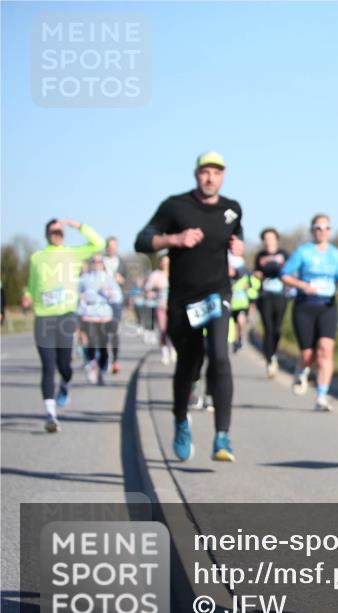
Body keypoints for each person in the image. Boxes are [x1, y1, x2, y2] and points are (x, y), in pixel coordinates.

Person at [134, 150, 243, 463]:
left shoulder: (232, 209)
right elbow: (142, 240)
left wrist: (238, 246)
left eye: (217, 173)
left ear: (223, 176)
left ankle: (222, 437)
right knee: (189, 363)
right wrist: (174, 239)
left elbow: (236, 236)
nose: (211, 178)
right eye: (205, 172)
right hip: (183, 299)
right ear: (197, 175)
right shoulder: (175, 206)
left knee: (220, 355)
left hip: (217, 294)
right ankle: (181, 420)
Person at [22, 218, 106, 432]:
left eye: (60, 232)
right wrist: (27, 296)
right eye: (53, 232)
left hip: (66, 317)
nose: (57, 234)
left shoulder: (72, 253)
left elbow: (99, 243)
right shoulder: (37, 257)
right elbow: (31, 285)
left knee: (64, 367)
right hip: (43, 317)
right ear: (47, 234)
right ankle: (50, 414)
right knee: (48, 366)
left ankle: (65, 384)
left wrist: (77, 225)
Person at [280, 214, 338, 411]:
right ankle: (301, 370)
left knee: (325, 350)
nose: (322, 231)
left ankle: (321, 397)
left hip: (327, 306)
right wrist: (302, 285)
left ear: (330, 231)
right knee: (308, 354)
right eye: (318, 228)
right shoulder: (303, 251)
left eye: (326, 228)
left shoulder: (337, 254)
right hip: (305, 305)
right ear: (312, 231)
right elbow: (284, 275)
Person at [77, 254, 123, 385]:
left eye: (99, 261)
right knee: (90, 343)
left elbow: (118, 297)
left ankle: (101, 371)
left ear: (103, 264)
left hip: (104, 316)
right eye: (94, 261)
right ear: (91, 263)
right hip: (89, 315)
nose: (97, 264)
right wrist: (81, 301)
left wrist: (108, 293)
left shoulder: (108, 278)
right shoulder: (84, 278)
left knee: (103, 346)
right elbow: (76, 295)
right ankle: (92, 366)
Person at [254, 228, 290, 378]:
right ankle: (269, 359)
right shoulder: (260, 255)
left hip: (280, 295)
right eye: (266, 239)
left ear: (276, 239)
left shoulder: (284, 254)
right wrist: (258, 274)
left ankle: (273, 352)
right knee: (268, 327)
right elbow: (256, 272)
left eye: (271, 238)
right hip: (265, 296)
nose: (268, 241)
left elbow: (289, 272)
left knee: (277, 328)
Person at [102, 236, 129, 374]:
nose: (111, 248)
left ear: (117, 247)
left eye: (113, 246)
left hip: (116, 302)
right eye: (109, 246)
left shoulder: (121, 262)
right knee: (103, 333)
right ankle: (104, 359)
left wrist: (122, 280)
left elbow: (128, 281)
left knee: (114, 331)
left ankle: (115, 360)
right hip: (102, 302)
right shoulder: (100, 261)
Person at [143, 254, 172, 365]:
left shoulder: (175, 273)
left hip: (173, 306)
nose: (165, 264)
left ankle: (173, 349)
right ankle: (165, 353)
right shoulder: (156, 275)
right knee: (163, 329)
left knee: (173, 330)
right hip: (161, 306)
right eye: (163, 262)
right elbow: (147, 288)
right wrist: (155, 287)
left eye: (167, 262)